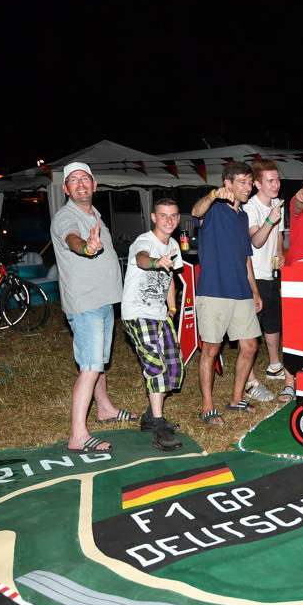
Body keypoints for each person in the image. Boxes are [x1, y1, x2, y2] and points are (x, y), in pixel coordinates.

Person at [50, 162, 133, 452]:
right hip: (85, 304)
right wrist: (86, 247)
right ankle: (78, 435)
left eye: (85, 178)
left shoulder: (94, 213)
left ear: (95, 185)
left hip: (102, 300)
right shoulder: (66, 217)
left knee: (97, 361)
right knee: (89, 366)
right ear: (65, 189)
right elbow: (73, 239)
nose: (81, 184)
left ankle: (105, 409)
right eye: (73, 180)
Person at [190, 161, 263, 425]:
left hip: (241, 291)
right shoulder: (213, 210)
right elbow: (195, 211)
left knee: (250, 345)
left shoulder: (243, 216)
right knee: (211, 349)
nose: (248, 187)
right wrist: (212, 195)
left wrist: (255, 291)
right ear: (227, 184)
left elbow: (246, 259)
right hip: (214, 291)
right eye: (242, 182)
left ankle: (235, 399)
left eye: (249, 181)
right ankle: (207, 406)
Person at [119, 197, 185, 452]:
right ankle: (158, 425)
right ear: (154, 218)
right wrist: (157, 261)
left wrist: (171, 309)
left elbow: (169, 279)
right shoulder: (145, 241)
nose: (168, 220)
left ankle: (149, 416)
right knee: (156, 367)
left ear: (178, 219)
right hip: (137, 313)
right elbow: (143, 259)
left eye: (173, 215)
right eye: (163, 215)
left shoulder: (174, 245)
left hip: (160, 314)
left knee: (174, 368)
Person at [243, 158, 295, 403]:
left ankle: (274, 366)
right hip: (253, 276)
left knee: (274, 323)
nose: (276, 184)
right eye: (270, 180)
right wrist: (270, 219)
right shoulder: (250, 208)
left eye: (278, 179)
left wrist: (281, 255)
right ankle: (248, 380)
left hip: (271, 274)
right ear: (256, 184)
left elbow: (277, 238)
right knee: (251, 330)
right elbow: (256, 241)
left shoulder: (277, 204)